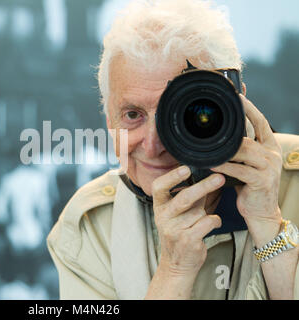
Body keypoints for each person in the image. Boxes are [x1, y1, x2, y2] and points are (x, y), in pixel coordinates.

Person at [47, 0, 299, 300]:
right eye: (132, 115)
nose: (153, 146)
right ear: (109, 122)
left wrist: (270, 227)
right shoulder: (90, 227)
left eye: (185, 113)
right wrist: (175, 270)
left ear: (233, 103)